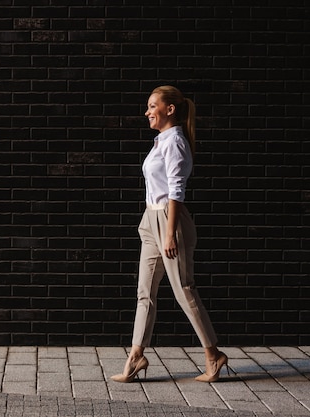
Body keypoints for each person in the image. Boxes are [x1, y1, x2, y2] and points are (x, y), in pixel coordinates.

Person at [111, 86, 229, 383]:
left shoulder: (175, 141)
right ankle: (136, 356)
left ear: (170, 109)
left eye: (152, 106)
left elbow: (176, 190)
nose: (147, 111)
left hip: (169, 220)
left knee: (183, 289)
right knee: (144, 292)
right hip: (151, 219)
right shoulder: (161, 141)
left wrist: (170, 233)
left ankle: (213, 355)